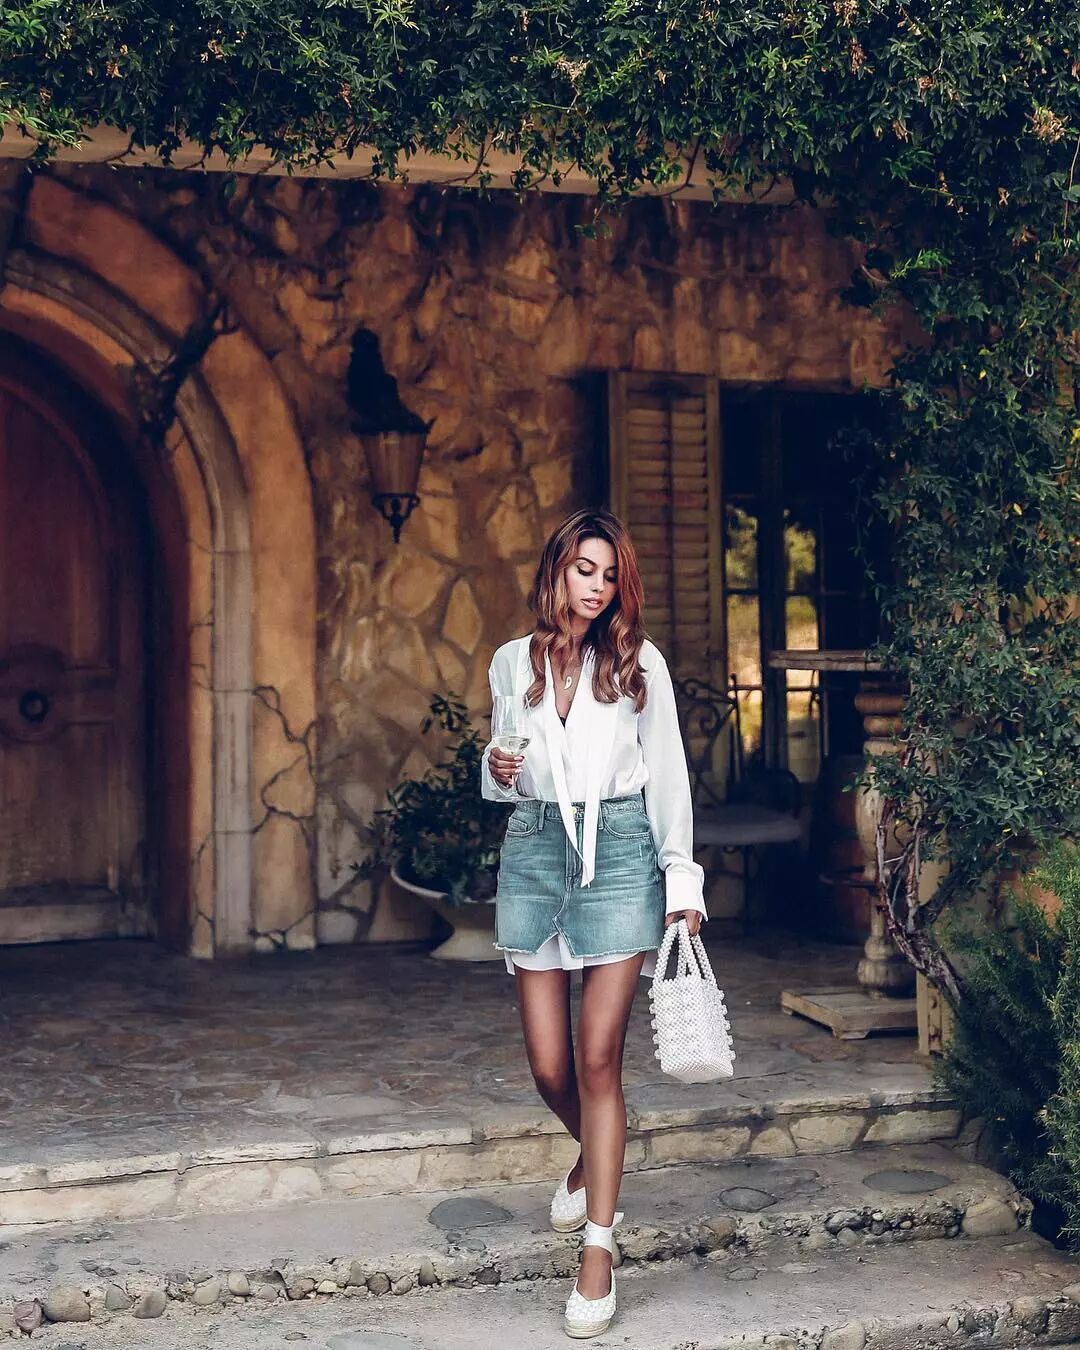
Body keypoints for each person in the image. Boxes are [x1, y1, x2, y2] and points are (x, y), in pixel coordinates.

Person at [480, 507, 706, 1339]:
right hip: (534, 850)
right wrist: (497, 766)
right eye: (585, 569)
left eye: (610, 575)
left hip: (620, 853)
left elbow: (668, 774)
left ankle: (599, 1252)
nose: (598, 586)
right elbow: (505, 773)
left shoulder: (640, 663)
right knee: (550, 1066)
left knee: (597, 1057)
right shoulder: (514, 661)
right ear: (557, 570)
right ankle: (597, 1153)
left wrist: (681, 879)